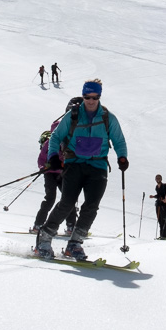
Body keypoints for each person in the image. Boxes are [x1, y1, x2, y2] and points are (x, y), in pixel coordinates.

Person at [34, 79, 128, 261]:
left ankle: (75, 244)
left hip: (98, 166)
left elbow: (119, 140)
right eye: (87, 97)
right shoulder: (73, 115)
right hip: (74, 163)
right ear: (83, 96)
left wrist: (122, 157)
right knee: (67, 203)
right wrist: (53, 157)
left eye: (95, 97)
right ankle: (44, 238)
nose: (91, 100)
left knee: (91, 206)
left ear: (99, 96)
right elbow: (55, 138)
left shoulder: (108, 117)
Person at [32, 98, 80, 235]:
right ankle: (38, 225)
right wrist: (43, 167)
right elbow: (42, 157)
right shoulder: (54, 137)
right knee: (51, 198)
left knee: (68, 199)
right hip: (51, 172)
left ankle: (71, 226)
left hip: (63, 173)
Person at [151, 174, 166, 240]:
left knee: (163, 220)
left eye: (159, 178)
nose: (158, 179)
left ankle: (164, 236)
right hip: (158, 204)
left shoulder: (164, 186)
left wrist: (165, 200)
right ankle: (162, 235)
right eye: (157, 178)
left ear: (161, 179)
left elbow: (165, 195)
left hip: (162, 205)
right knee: (159, 220)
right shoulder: (156, 187)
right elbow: (159, 195)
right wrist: (153, 196)